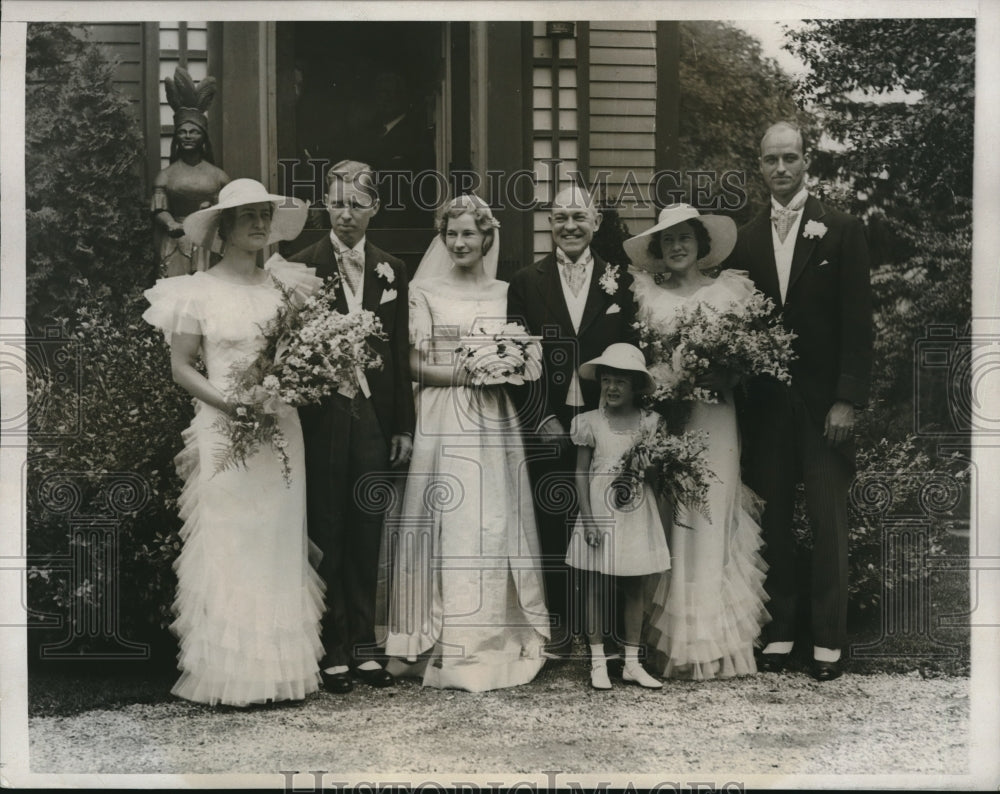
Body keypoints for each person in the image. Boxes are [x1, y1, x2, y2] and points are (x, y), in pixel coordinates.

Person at [141, 178, 323, 706]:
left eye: (265, 215)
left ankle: (279, 672)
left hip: (279, 430)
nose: (260, 225)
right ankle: (229, 676)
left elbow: (301, 356)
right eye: (248, 217)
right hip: (224, 431)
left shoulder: (285, 286)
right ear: (224, 229)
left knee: (275, 539)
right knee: (231, 540)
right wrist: (230, 404)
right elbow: (181, 368)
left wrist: (288, 387)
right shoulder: (196, 289)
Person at [724, 121, 873, 682]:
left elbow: (859, 326)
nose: (781, 168)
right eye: (771, 160)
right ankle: (782, 632)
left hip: (822, 404)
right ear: (758, 165)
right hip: (766, 406)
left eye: (790, 158)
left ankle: (830, 641)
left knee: (828, 518)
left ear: (806, 160)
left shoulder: (841, 228)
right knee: (776, 520)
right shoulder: (744, 237)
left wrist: (846, 400)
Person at [384, 194, 550, 691]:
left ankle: (494, 635)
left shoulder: (507, 292)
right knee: (449, 518)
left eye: (469, 234)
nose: (459, 242)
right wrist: (465, 370)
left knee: (493, 517)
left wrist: (509, 365)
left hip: (494, 418)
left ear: (487, 238)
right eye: (451, 234)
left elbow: (523, 354)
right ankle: (434, 640)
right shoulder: (425, 290)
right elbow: (410, 364)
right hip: (444, 416)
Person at [625, 203, 770, 680]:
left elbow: (745, 362)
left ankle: (716, 644)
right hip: (672, 417)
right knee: (675, 517)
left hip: (716, 417)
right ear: (657, 250)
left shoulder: (727, 292)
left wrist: (718, 370)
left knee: (714, 514)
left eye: (686, 237)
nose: (678, 247)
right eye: (668, 241)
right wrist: (666, 387)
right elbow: (645, 362)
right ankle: (674, 645)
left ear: (701, 244)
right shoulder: (648, 295)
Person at [288, 159, 415, 694]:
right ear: (325, 205)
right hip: (322, 415)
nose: (345, 214)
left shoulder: (391, 270)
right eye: (337, 203)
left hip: (373, 417)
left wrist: (402, 425)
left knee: (367, 528)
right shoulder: (300, 266)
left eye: (356, 205)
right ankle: (332, 647)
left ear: (374, 209)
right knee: (328, 528)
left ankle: (365, 646)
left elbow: (401, 350)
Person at [507, 185, 640, 657]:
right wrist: (540, 416)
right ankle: (561, 625)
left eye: (579, 218)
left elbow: (629, 349)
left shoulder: (620, 281)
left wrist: (616, 413)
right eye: (560, 216)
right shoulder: (526, 281)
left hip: (605, 415)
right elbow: (516, 357)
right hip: (550, 419)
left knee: (606, 514)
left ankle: (605, 631)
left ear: (596, 223)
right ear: (549, 222)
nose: (569, 226)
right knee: (553, 514)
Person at [566, 343, 671, 690]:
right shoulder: (589, 422)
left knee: (634, 585)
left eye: (620, 382)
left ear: (636, 387)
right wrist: (589, 520)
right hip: (599, 511)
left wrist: (650, 467)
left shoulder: (652, 424)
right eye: (606, 380)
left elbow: (658, 478)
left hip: (637, 511)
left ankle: (630, 662)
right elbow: (581, 473)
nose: (611, 388)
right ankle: (597, 661)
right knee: (594, 584)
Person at [151, 67, 230, 277]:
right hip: (177, 241)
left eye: (194, 131)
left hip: (209, 242)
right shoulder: (165, 175)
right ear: (176, 137)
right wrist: (170, 223)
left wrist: (212, 210)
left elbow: (229, 210)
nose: (187, 136)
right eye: (182, 132)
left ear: (203, 137)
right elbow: (159, 209)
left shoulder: (219, 176)